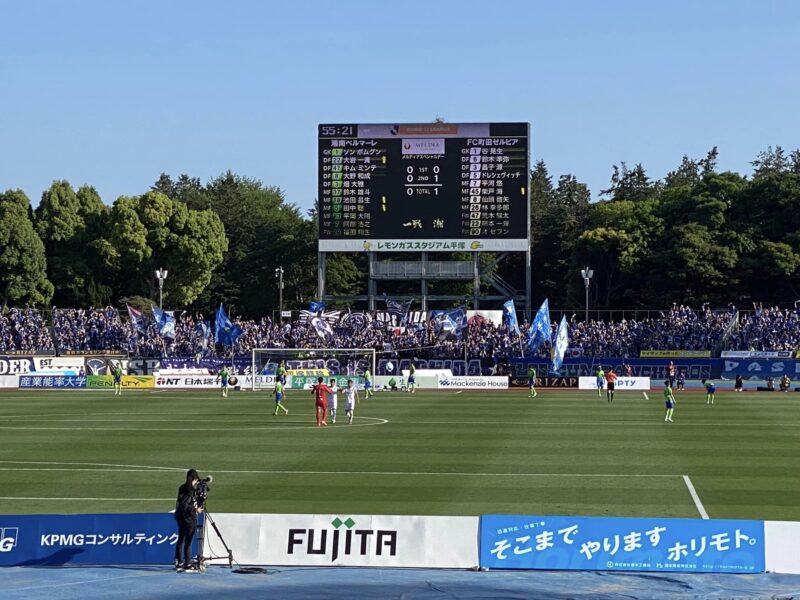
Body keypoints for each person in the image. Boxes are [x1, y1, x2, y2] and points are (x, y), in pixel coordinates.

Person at [174, 468, 203, 572]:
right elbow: (184, 505)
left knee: (181, 539)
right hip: (187, 517)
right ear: (193, 479)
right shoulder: (190, 490)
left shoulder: (182, 487)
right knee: (188, 541)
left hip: (179, 516)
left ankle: (179, 562)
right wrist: (195, 509)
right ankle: (188, 564)